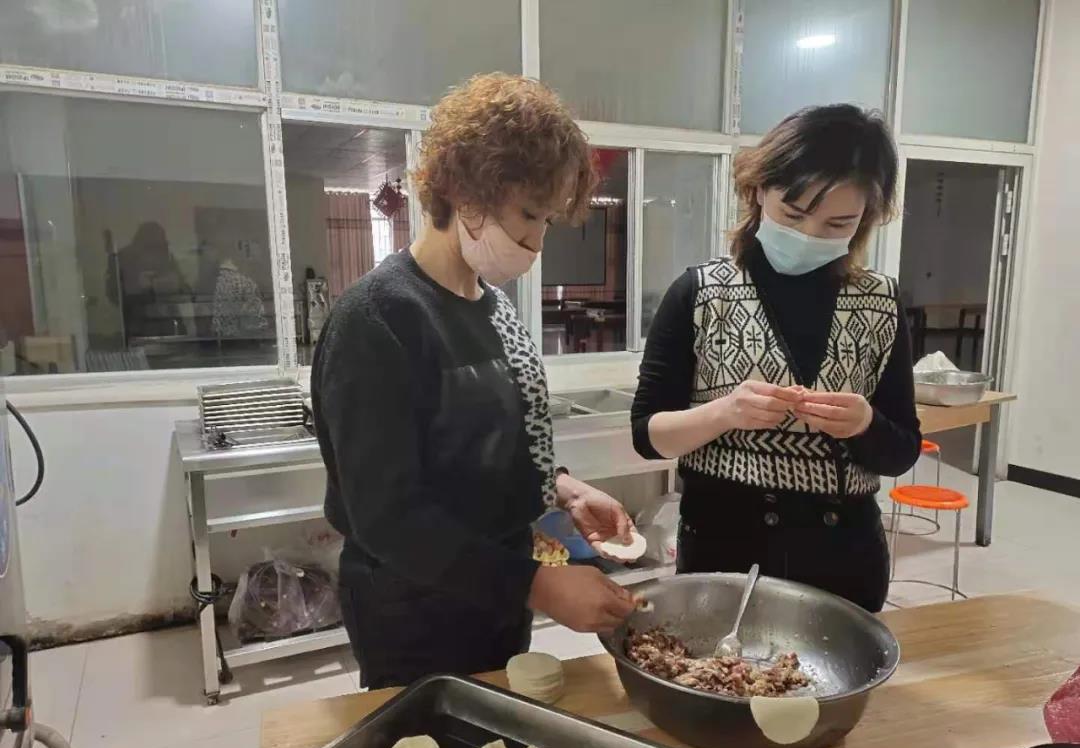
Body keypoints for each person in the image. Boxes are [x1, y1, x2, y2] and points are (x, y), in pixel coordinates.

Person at [311, 74, 637, 688]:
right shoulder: (378, 320)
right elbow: (386, 516)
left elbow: (487, 441)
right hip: (414, 609)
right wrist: (540, 585)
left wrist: (562, 489)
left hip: (498, 591)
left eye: (548, 220)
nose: (536, 242)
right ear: (465, 193)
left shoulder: (492, 305)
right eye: (529, 215)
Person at [631, 104, 921, 613]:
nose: (809, 235)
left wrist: (865, 424)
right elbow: (648, 437)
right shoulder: (702, 294)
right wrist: (726, 412)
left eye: (838, 223)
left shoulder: (880, 301)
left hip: (842, 559)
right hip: (724, 552)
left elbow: (902, 451)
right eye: (793, 214)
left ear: (866, 220)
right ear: (759, 190)